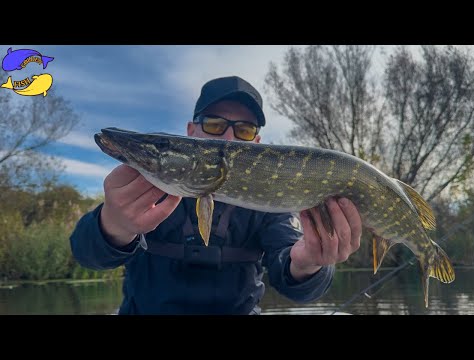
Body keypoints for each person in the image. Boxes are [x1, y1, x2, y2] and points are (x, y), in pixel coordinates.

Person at [70, 75, 362, 315]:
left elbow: (296, 281)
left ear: (257, 142)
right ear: (191, 131)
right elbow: (87, 254)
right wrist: (113, 226)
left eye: (244, 130)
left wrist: (309, 263)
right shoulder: (148, 190)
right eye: (214, 124)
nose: (227, 138)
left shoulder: (269, 205)